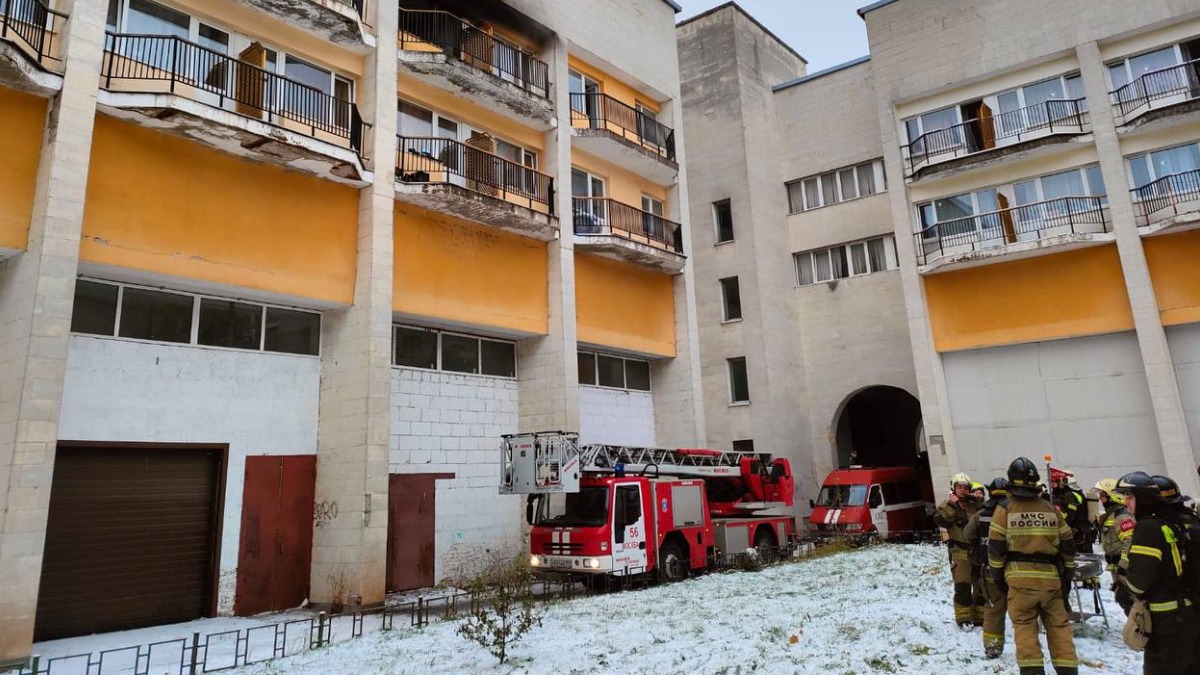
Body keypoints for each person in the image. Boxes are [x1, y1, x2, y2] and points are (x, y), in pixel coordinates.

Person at [989, 457, 1078, 675]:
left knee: (1025, 628)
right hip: (1051, 581)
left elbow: (996, 549)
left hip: (1019, 582)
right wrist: (1067, 574)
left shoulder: (1004, 509)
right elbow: (1068, 545)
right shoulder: (1050, 509)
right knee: (1059, 628)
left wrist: (998, 576)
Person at [1116, 472, 1199, 674]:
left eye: (1130, 497)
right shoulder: (1175, 524)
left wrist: (1123, 584)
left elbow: (1138, 584)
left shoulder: (1148, 528)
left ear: (1142, 498)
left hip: (1165, 622)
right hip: (1188, 616)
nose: (1125, 503)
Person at [965, 477, 1009, 659]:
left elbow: (968, 534)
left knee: (992, 609)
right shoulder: (1012, 513)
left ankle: (992, 648)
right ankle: (1029, 646)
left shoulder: (981, 514)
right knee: (1023, 611)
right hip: (1013, 569)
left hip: (989, 569)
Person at [936, 472, 983, 628]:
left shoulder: (975, 504)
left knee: (981, 585)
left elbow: (988, 516)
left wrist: (980, 499)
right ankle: (963, 618)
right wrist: (952, 505)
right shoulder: (947, 504)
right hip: (959, 550)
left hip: (976, 551)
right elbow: (941, 520)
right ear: (954, 488)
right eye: (959, 487)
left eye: (965, 487)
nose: (962, 490)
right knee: (963, 585)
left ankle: (979, 616)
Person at [1093, 478, 1135, 615]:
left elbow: (1129, 541)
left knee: (1130, 601)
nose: (1100, 499)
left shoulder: (1121, 516)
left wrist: (1123, 565)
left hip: (1123, 567)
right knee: (1124, 600)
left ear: (1112, 496)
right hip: (1116, 566)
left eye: (1103, 495)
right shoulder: (1111, 514)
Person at [1051, 468, 1091, 549]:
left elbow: (1069, 517)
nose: (1051, 484)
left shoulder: (1069, 495)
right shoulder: (1073, 493)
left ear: (1063, 482)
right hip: (1081, 535)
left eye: (1054, 481)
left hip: (1078, 538)